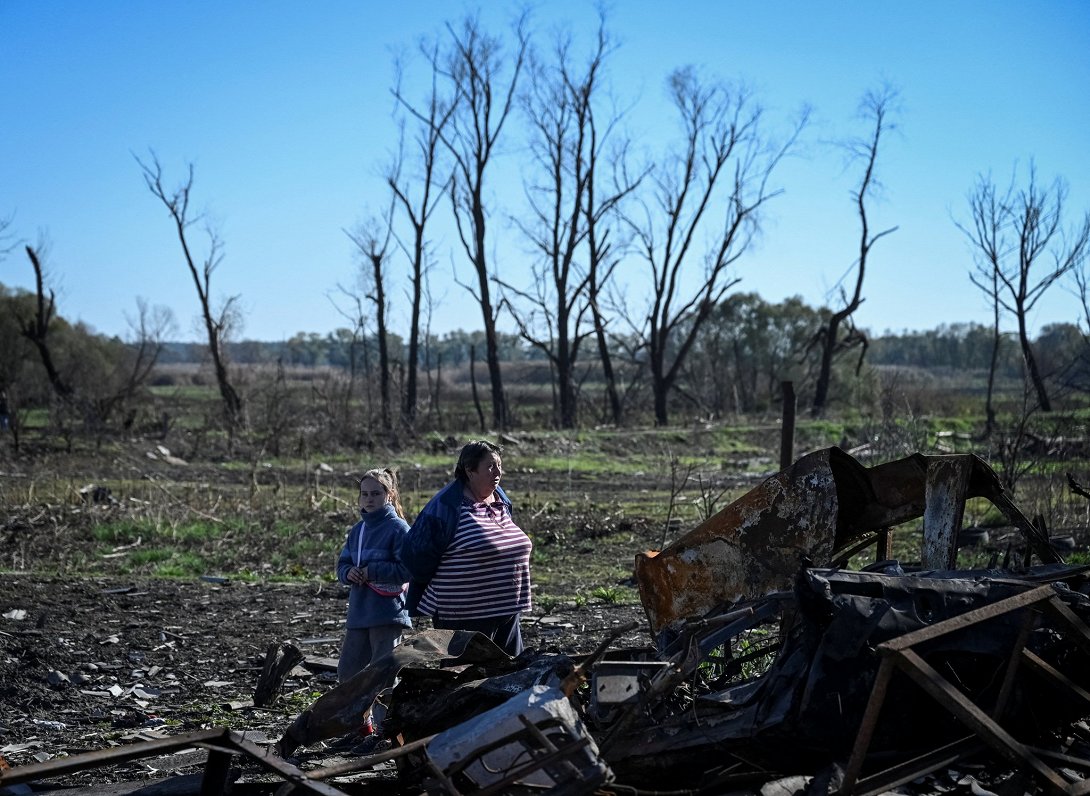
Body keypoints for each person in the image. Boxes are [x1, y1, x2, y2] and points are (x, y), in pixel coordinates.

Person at [402, 440, 533, 657]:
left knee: (510, 671)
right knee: (465, 676)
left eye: (499, 465)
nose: (498, 471)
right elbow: (414, 554)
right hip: (464, 612)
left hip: (507, 607)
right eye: (490, 466)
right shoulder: (445, 506)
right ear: (470, 470)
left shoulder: (500, 497)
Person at [335, 468, 412, 683]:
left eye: (376, 493)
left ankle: (384, 717)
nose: (369, 499)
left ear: (390, 495)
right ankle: (358, 717)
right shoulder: (358, 531)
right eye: (365, 494)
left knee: (384, 676)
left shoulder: (399, 529)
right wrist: (348, 573)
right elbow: (343, 565)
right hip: (360, 612)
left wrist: (371, 572)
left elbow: (407, 570)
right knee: (348, 674)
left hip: (388, 613)